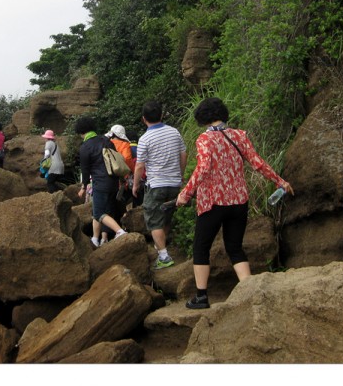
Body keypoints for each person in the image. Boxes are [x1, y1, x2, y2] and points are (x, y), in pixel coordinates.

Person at [176, 97, 294, 309]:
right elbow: (258, 163)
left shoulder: (204, 139)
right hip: (239, 201)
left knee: (201, 247)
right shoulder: (239, 135)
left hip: (213, 202)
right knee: (234, 247)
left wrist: (186, 193)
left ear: (203, 118)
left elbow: (202, 169)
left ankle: (201, 297)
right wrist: (280, 181)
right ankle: (250, 294)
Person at [132, 101, 187, 269]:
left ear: (143, 119)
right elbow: (183, 154)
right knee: (166, 216)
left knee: (154, 219)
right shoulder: (174, 132)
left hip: (156, 185)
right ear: (161, 115)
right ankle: (160, 247)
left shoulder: (144, 139)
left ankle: (163, 256)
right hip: (174, 183)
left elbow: (140, 166)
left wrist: (135, 185)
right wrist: (181, 174)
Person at [75, 116, 128, 248]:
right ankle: (95, 239)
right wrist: (121, 179)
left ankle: (120, 232)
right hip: (113, 181)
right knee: (100, 211)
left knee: (98, 213)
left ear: (81, 131)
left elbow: (85, 171)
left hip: (100, 183)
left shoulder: (85, 147)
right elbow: (116, 160)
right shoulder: (106, 140)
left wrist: (83, 187)